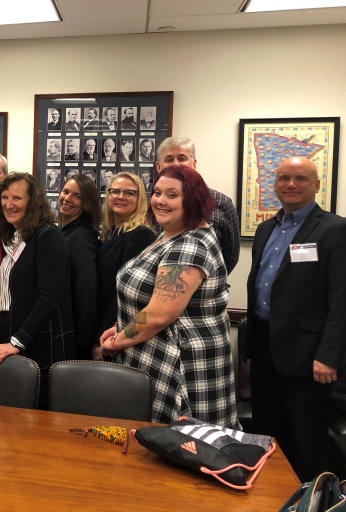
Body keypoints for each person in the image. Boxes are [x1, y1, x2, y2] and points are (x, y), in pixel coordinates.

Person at [99, 166, 237, 428]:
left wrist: (117, 342)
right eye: (157, 192)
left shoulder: (189, 246)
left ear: (193, 199)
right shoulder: (170, 235)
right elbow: (149, 299)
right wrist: (121, 327)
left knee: (184, 450)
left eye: (172, 195)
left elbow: (159, 314)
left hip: (181, 366)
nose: (161, 201)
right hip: (155, 354)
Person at [247, 157, 346, 480]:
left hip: (308, 357)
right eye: (284, 178)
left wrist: (329, 356)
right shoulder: (265, 228)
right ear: (273, 184)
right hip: (264, 348)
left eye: (301, 178)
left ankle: (309, 500)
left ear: (317, 185)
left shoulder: (334, 229)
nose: (291, 184)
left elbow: (341, 298)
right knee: (267, 436)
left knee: (307, 442)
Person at [0, 173, 74, 403]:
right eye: (4, 197)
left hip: (40, 344)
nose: (9, 205)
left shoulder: (48, 235)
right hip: (11, 341)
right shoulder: (12, 237)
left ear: (33, 202)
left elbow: (50, 298)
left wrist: (16, 342)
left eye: (17, 198)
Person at [156, 137, 240, 274]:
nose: (176, 164)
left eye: (182, 158)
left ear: (194, 164)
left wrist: (205, 282)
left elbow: (231, 256)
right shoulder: (154, 204)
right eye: (169, 159)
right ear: (159, 167)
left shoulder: (221, 203)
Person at [96, 172, 155, 359]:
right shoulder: (111, 233)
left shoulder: (140, 235)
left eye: (129, 193)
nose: (121, 197)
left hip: (116, 330)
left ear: (140, 199)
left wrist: (103, 333)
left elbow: (125, 291)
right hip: (102, 322)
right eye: (115, 191)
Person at [58, 174, 100, 360]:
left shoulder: (80, 236)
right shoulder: (67, 231)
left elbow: (86, 289)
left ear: (87, 203)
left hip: (74, 336)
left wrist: (82, 340)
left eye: (77, 196)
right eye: (66, 192)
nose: (67, 199)